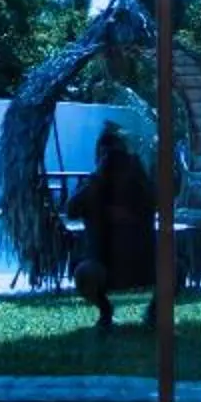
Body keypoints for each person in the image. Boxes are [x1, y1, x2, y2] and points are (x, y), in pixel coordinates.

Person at [66, 124, 158, 332]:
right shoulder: (92, 186)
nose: (113, 161)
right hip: (104, 265)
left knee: (175, 267)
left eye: (117, 155)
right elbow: (71, 210)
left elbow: (160, 202)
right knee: (85, 273)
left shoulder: (137, 185)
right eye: (107, 155)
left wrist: (139, 174)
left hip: (142, 264)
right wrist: (97, 177)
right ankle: (105, 312)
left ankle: (154, 313)